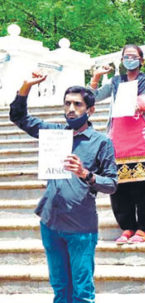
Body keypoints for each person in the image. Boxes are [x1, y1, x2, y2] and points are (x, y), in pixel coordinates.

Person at [10, 73, 118, 303]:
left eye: (77, 104)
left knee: (82, 290)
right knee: (60, 288)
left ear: (90, 110)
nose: (71, 108)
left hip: (81, 226)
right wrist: (26, 85)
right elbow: (18, 116)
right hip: (50, 221)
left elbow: (112, 184)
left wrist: (85, 174)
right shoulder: (54, 133)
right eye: (67, 103)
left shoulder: (102, 142)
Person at [89, 44, 145, 244]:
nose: (129, 59)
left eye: (133, 56)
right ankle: (127, 226)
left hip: (143, 138)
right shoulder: (115, 82)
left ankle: (143, 228)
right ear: (121, 60)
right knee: (119, 186)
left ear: (141, 60)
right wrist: (95, 78)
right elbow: (91, 98)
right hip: (118, 139)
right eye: (126, 56)